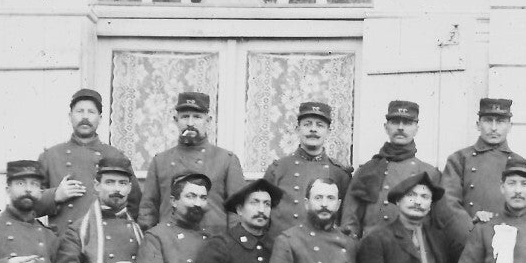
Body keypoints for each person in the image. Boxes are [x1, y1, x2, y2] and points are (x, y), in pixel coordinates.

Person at [138, 90, 244, 233]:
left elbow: (237, 210)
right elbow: (148, 210)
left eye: (197, 117)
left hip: (212, 243)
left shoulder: (226, 160)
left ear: (208, 120)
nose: (190, 123)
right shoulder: (160, 161)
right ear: (176, 120)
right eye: (185, 117)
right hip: (170, 244)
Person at [35, 87, 136, 233]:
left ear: (100, 118)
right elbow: (29, 205)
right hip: (64, 242)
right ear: (70, 116)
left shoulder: (116, 156)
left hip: (105, 242)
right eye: (80, 111)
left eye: (91, 112)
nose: (85, 117)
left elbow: (134, 204)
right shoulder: (50, 156)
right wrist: (55, 195)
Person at [344, 100, 448, 239]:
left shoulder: (429, 173)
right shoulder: (367, 170)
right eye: (395, 122)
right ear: (386, 127)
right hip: (370, 248)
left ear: (416, 128)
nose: (400, 127)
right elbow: (350, 220)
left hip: (410, 249)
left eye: (407, 123)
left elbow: (439, 223)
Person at [262, 100, 352, 235]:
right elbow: (263, 211)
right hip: (283, 249)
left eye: (320, 125)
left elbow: (345, 220)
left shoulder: (339, 173)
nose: (313, 129)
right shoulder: (278, 169)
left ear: (328, 132)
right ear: (297, 129)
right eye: (307, 124)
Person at [441, 97, 521, 224]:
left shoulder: (519, 162)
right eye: (488, 121)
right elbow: (449, 203)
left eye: (500, 122)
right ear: (478, 125)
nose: (494, 128)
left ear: (510, 126)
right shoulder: (459, 159)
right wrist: (470, 227)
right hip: (469, 236)